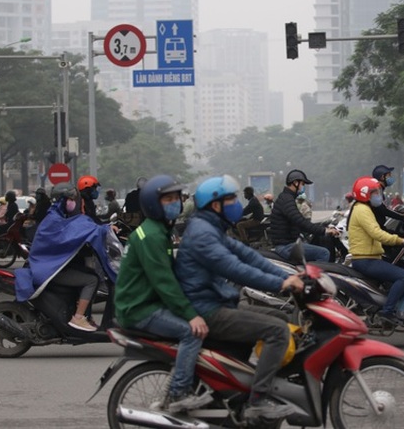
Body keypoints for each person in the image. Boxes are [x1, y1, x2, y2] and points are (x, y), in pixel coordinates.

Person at [174, 174, 304, 422]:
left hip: (217, 302)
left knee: (278, 315)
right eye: (231, 199)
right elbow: (235, 268)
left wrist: (290, 274)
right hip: (208, 310)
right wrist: (281, 284)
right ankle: (258, 401)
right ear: (216, 205)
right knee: (278, 331)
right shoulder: (203, 233)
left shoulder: (212, 226)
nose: (237, 203)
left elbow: (248, 256)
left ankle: (242, 387)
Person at [114, 174, 212, 413]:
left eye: (176, 198)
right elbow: (164, 283)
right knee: (192, 333)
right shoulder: (152, 236)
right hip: (139, 309)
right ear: (152, 204)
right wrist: (190, 314)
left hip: (145, 302)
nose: (175, 203)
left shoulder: (157, 231)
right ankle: (179, 393)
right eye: (168, 199)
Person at [15, 183, 112, 332]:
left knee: (89, 273)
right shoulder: (54, 219)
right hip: (48, 271)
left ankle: (84, 315)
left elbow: (81, 226)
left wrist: (105, 228)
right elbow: (75, 230)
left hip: (54, 267)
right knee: (92, 280)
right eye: (71, 199)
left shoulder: (60, 216)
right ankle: (78, 318)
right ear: (63, 200)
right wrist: (105, 229)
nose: (74, 202)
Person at [348, 176, 404, 326]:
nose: (378, 195)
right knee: (403, 276)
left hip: (371, 257)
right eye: (375, 193)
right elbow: (377, 233)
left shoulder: (363, 208)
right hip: (366, 260)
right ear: (365, 194)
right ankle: (387, 313)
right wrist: (400, 240)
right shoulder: (363, 210)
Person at [269, 169, 338, 262]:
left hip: (289, 243)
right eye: (302, 184)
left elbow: (298, 222)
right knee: (324, 253)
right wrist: (325, 230)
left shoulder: (286, 197)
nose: (302, 187)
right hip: (286, 246)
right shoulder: (287, 200)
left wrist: (320, 227)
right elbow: (300, 221)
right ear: (295, 183)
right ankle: (312, 276)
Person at [371, 164, 404, 231]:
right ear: (382, 177)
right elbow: (384, 210)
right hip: (377, 229)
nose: (391, 177)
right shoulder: (377, 190)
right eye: (389, 175)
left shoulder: (380, 189)